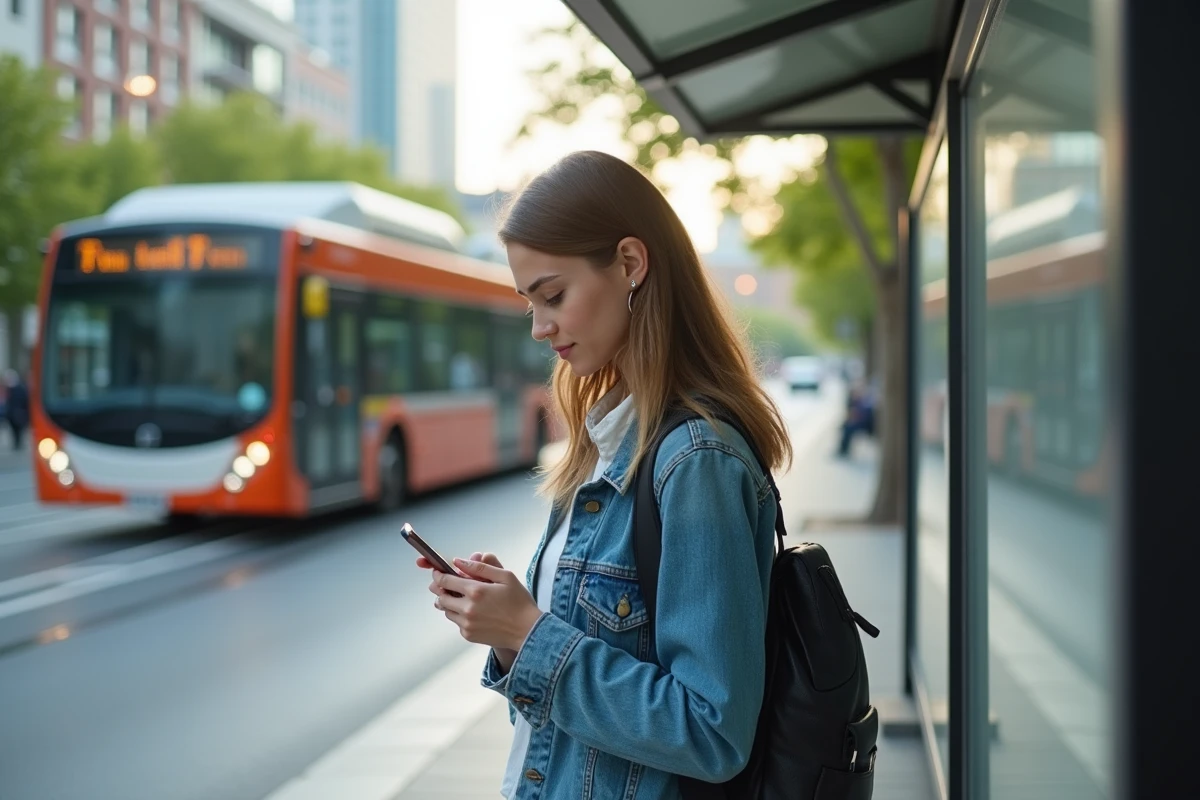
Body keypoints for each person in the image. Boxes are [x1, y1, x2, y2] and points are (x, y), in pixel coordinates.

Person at [416, 151, 793, 799]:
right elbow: (571, 715)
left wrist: (527, 634)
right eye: (530, 303)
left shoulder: (697, 462)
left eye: (554, 296)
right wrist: (507, 625)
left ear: (629, 264)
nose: (540, 328)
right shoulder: (606, 442)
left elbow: (712, 732)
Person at [836, 381, 876, 458]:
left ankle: (843, 449)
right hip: (861, 422)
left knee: (848, 428)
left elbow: (864, 415)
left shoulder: (865, 401)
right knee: (846, 426)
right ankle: (843, 449)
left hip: (865, 425)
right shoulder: (858, 401)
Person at [3, 369, 30, 450]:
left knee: (18, 429)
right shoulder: (9, 389)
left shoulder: (19, 389)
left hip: (19, 412)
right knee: (14, 429)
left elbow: (25, 400)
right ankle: (16, 442)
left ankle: (18, 442)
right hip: (12, 413)